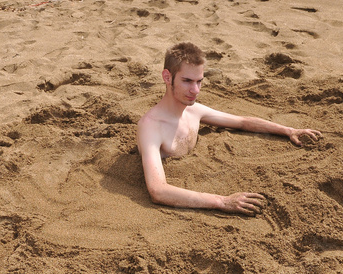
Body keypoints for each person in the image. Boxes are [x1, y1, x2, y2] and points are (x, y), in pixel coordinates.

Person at [137, 42, 322, 216]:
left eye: (199, 81)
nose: (195, 90)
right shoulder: (151, 127)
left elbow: (242, 122)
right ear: (167, 77)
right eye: (187, 81)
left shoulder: (194, 111)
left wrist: (289, 131)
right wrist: (222, 201)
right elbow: (158, 190)